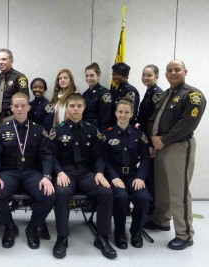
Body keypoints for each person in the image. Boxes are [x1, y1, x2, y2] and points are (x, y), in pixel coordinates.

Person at [144, 60, 206, 250]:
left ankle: (185, 234)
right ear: (165, 74)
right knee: (162, 188)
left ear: (185, 71)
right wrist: (152, 138)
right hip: (160, 146)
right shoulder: (165, 94)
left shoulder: (193, 95)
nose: (173, 73)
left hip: (178, 147)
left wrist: (164, 140)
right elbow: (153, 118)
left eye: (176, 69)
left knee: (179, 191)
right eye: (169, 70)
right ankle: (161, 220)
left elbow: (187, 123)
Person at [49, 93, 116, 259]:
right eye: (72, 106)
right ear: (67, 108)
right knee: (62, 193)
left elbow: (99, 156)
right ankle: (62, 237)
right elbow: (51, 156)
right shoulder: (57, 130)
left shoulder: (92, 130)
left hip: (86, 172)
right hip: (66, 172)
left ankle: (102, 237)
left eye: (79, 106)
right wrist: (59, 172)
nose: (76, 109)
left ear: (84, 107)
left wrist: (100, 173)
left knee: (106, 192)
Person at [0, 92, 55, 250]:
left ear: (28, 107)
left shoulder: (39, 130)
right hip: (9, 172)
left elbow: (46, 155)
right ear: (11, 108)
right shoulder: (1, 130)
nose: (19, 109)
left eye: (22, 105)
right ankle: (10, 226)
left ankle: (33, 227)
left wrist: (46, 176)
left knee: (49, 194)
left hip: (32, 173)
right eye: (16, 106)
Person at [103, 98, 150, 249]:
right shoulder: (107, 135)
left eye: (126, 112)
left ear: (131, 114)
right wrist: (113, 177)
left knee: (143, 197)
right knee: (121, 197)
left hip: (133, 175)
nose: (123, 115)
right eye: (120, 112)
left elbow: (145, 158)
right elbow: (104, 160)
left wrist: (140, 177)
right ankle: (119, 232)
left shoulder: (138, 134)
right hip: (115, 175)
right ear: (116, 113)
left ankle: (136, 231)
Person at [136, 64, 163, 214]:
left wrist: (152, 143)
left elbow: (156, 121)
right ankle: (147, 209)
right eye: (143, 74)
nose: (145, 78)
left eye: (149, 75)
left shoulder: (157, 94)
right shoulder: (148, 92)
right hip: (145, 136)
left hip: (151, 139)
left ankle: (152, 212)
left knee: (151, 177)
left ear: (156, 77)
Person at [0, 48, 29, 125]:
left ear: (11, 61)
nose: (0, 62)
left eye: (4, 59)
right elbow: (1, 99)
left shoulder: (20, 77)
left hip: (13, 117)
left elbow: (24, 100)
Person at [82, 62, 112, 131]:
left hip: (97, 130)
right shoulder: (85, 94)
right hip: (85, 129)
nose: (89, 78)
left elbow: (105, 119)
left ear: (98, 76)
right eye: (87, 76)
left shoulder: (105, 93)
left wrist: (101, 134)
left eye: (92, 75)